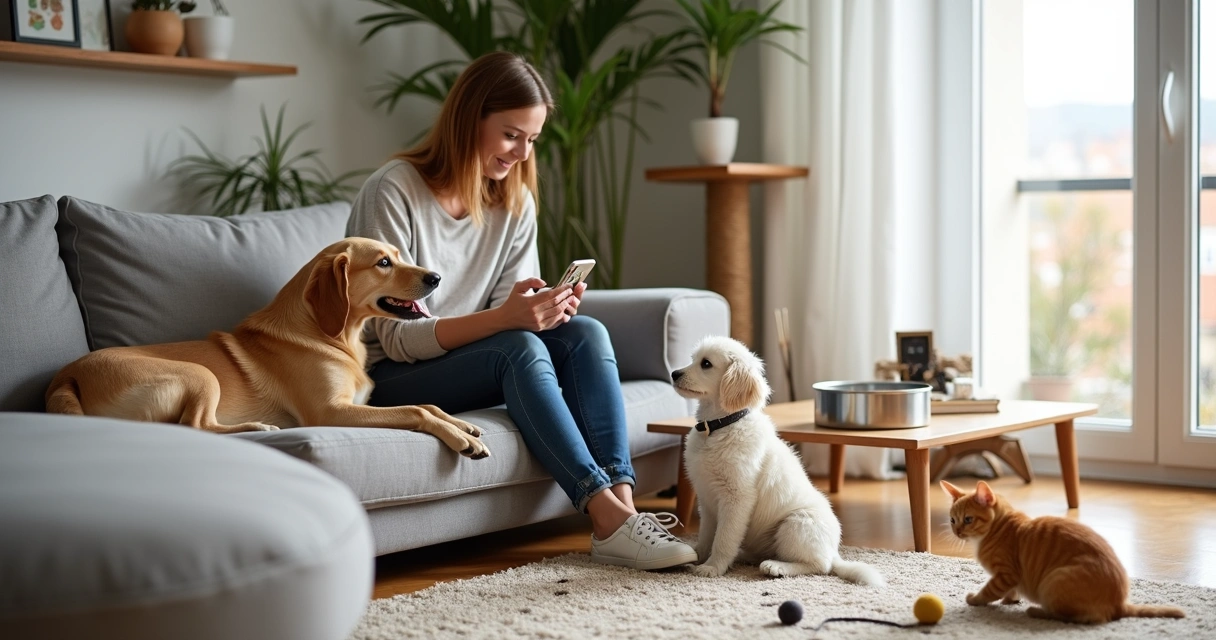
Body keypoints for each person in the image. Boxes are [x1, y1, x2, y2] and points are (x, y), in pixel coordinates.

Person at [345, 51, 698, 571]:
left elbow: (507, 307)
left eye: (531, 139)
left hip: (472, 358)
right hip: (395, 375)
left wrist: (544, 309)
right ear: (470, 119)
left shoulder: (513, 201)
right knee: (517, 346)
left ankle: (623, 510)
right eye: (511, 135)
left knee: (586, 332)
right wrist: (511, 320)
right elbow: (396, 339)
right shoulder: (394, 190)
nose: (521, 153)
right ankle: (603, 514)